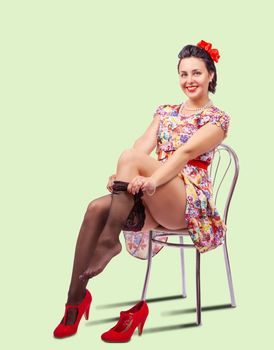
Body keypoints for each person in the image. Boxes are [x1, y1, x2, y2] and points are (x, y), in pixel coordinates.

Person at [53, 39, 230, 342]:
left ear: (210, 75)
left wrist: (151, 178)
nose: (189, 80)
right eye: (183, 74)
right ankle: (74, 301)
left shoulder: (217, 119)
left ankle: (109, 241)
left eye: (196, 73)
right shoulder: (165, 111)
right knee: (95, 206)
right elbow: (141, 147)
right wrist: (124, 176)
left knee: (129, 158)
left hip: (187, 202)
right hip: (152, 193)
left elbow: (185, 153)